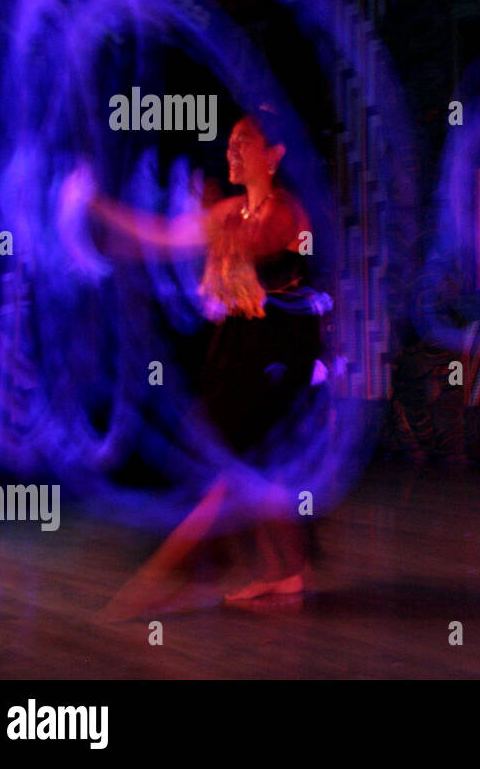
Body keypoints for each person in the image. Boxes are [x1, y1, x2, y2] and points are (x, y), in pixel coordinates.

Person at [81, 112, 327, 618]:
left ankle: (166, 578)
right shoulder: (231, 212)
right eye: (230, 144)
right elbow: (161, 235)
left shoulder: (287, 214)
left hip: (277, 356)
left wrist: (214, 223)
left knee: (224, 464)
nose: (231, 152)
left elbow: (255, 246)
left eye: (243, 143)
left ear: (273, 155)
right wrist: (96, 208)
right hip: (237, 346)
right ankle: (286, 572)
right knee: (257, 464)